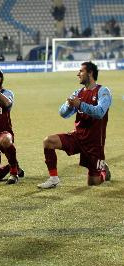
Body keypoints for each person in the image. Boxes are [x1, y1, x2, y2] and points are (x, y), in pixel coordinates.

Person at [38, 61, 112, 189]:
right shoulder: (78, 93)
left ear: (90, 73)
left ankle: (103, 171)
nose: (78, 74)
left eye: (81, 71)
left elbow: (100, 113)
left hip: (94, 143)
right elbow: (63, 113)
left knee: (93, 182)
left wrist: (80, 105)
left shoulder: (103, 91)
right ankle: (54, 179)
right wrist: (68, 105)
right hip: (78, 136)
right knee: (48, 141)